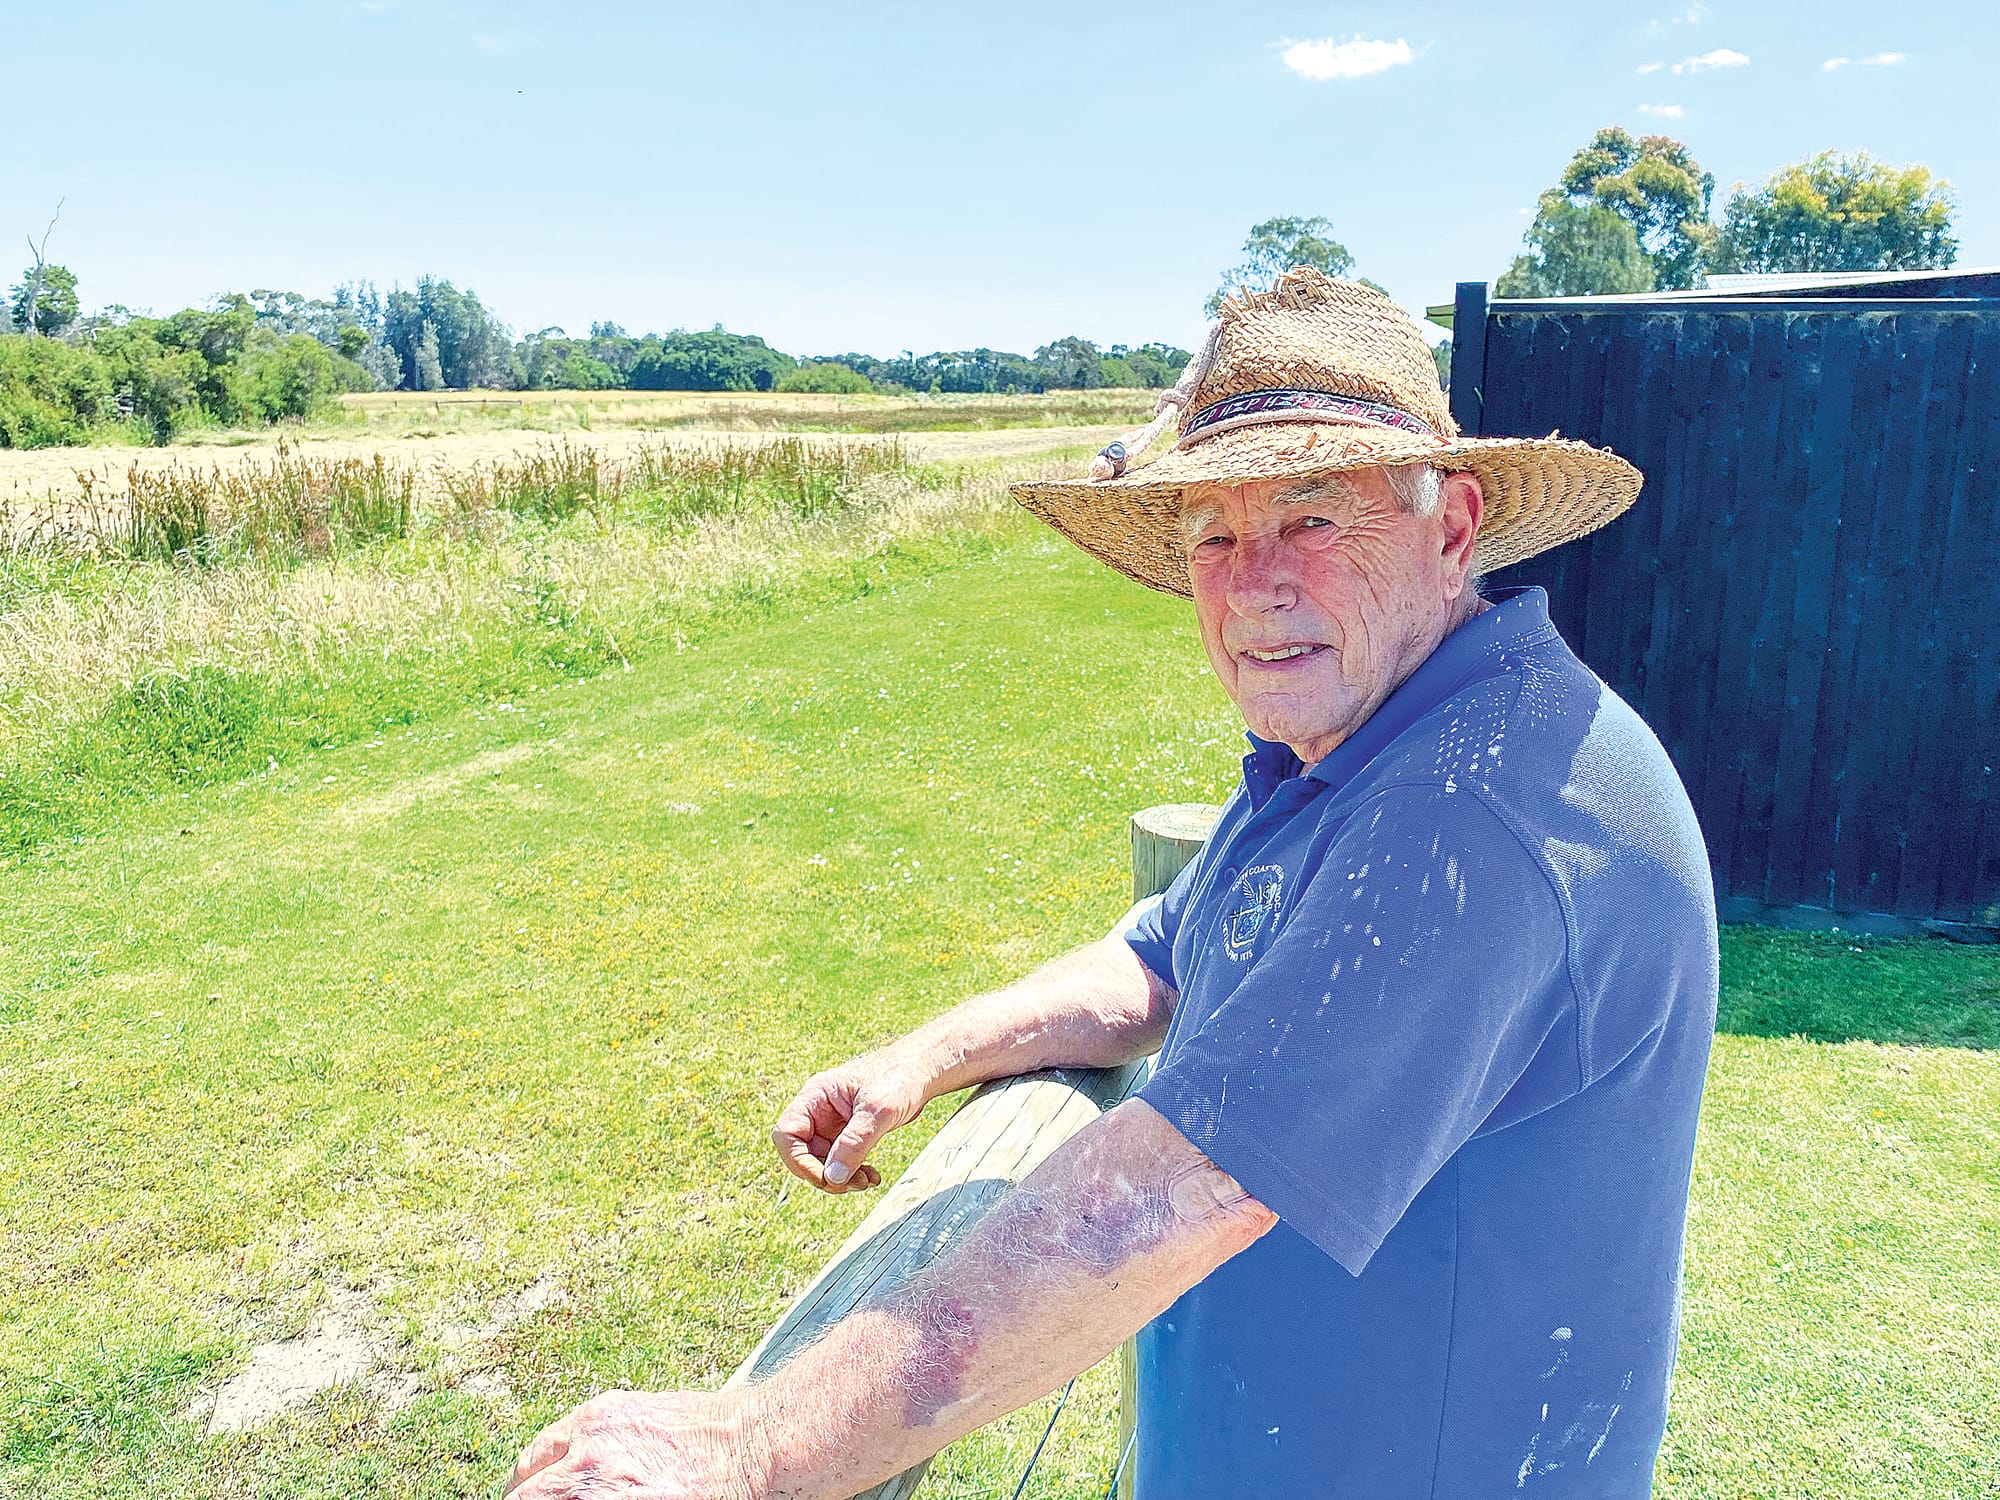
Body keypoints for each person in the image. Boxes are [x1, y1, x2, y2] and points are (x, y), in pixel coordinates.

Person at [506, 269, 1719, 1499]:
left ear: (1450, 527)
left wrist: (752, 1444)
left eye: (1312, 520)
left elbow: (1171, 1194)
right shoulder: (1371, 741)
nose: (1254, 584)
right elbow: (1168, 954)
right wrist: (928, 1056)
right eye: (1213, 534)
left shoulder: (1469, 814)